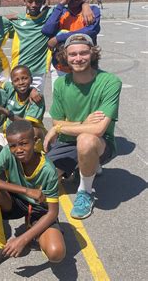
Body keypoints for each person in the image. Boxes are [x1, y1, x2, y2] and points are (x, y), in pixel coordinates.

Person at [44, 34, 121, 220]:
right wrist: (80, 124)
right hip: (67, 141)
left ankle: (85, 192)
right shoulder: (62, 84)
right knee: (42, 182)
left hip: (99, 143)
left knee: (86, 141)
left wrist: (61, 128)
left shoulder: (110, 82)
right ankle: (84, 165)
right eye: (73, 54)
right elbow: (56, 122)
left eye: (83, 53)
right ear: (65, 57)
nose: (78, 58)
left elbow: (98, 130)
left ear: (92, 53)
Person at [0, 120, 65, 273]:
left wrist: (22, 239)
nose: (18, 149)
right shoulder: (7, 152)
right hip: (16, 200)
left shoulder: (48, 170)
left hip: (40, 210)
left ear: (35, 142)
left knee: (56, 253)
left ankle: (34, 228)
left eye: (24, 144)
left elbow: (52, 212)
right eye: (13, 145)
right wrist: (26, 190)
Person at [42, 0, 100, 87]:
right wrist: (62, 3)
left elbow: (90, 31)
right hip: (61, 68)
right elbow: (47, 30)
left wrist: (59, 38)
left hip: (86, 67)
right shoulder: (60, 12)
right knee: (62, 101)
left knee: (85, 101)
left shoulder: (92, 11)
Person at [9, 0, 52, 92]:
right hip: (18, 69)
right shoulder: (18, 20)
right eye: (30, 1)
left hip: (38, 71)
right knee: (17, 102)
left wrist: (85, 6)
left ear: (44, 1)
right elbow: (0, 20)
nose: (34, 5)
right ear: (24, 1)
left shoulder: (49, 16)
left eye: (38, 1)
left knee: (35, 101)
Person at [1, 66, 45, 144]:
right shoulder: (10, 88)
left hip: (28, 133)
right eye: (16, 80)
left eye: (24, 78)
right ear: (12, 83)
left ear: (31, 80)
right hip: (10, 132)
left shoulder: (36, 98)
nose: (21, 82)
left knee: (35, 131)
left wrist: (7, 113)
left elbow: (26, 124)